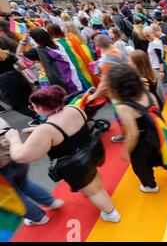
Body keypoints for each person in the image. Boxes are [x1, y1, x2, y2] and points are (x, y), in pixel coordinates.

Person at [5, 86, 121, 223]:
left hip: (76, 165)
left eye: (32, 106)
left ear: (41, 108)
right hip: (92, 152)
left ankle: (111, 213)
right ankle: (98, 191)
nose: (32, 108)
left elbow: (20, 155)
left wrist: (14, 139)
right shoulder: (74, 109)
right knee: (93, 177)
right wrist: (41, 131)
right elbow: (68, 128)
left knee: (93, 192)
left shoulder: (46, 130)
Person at [108, 65, 167, 193]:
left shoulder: (123, 107)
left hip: (141, 142)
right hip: (157, 132)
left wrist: (125, 151)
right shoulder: (147, 94)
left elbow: (133, 133)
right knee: (162, 153)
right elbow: (158, 109)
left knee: (141, 165)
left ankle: (150, 186)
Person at [0, 121, 64, 227]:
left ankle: (38, 217)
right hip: (15, 154)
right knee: (24, 183)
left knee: (14, 195)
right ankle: (51, 202)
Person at [0, 48, 36, 120]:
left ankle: (38, 117)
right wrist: (14, 71)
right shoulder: (6, 54)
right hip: (18, 76)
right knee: (30, 98)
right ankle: (43, 114)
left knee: (17, 105)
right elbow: (23, 66)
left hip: (4, 81)